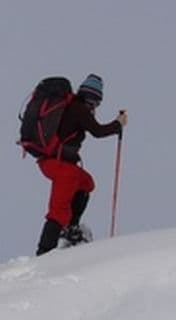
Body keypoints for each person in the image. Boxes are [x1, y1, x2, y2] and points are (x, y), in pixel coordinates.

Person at [36, 74, 128, 255]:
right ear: (92, 98)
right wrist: (118, 124)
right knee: (59, 210)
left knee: (86, 182)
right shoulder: (79, 109)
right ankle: (44, 253)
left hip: (55, 162)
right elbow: (98, 131)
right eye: (97, 102)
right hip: (61, 165)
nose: (96, 106)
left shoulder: (72, 106)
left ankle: (71, 228)